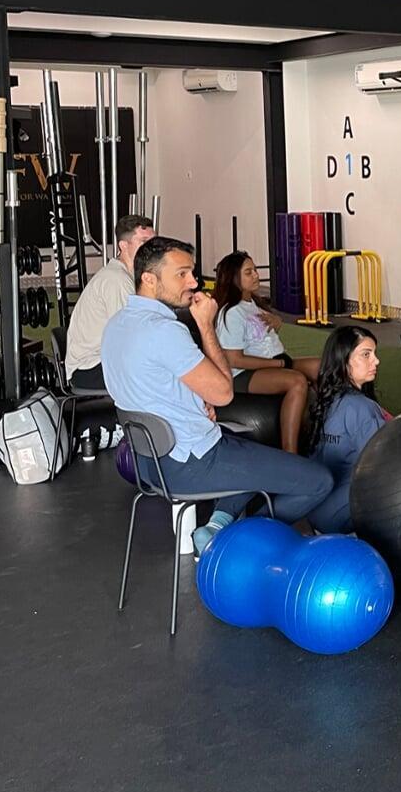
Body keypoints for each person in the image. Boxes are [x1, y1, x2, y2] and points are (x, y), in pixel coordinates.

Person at [101, 236, 332, 554]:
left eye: (192, 272)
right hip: (190, 464)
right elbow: (224, 394)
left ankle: (216, 525)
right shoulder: (165, 331)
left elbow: (150, 382)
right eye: (181, 274)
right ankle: (237, 540)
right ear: (149, 279)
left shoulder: (117, 324)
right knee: (320, 481)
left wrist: (197, 400)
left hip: (147, 462)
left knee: (249, 449)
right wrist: (206, 326)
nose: (194, 282)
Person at [212, 251, 320, 454]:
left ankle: (325, 432)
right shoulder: (231, 313)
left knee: (321, 367)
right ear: (234, 278)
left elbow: (260, 339)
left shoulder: (253, 304)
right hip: (244, 374)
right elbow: (234, 359)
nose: (256, 275)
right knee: (296, 381)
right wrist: (278, 364)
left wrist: (277, 323)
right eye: (248, 272)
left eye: (254, 270)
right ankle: (290, 451)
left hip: (276, 361)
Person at [305, 327, 390, 534]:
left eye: (374, 353)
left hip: (313, 511)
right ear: (343, 361)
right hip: (342, 518)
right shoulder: (362, 408)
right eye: (366, 354)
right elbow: (386, 467)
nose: (376, 361)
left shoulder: (324, 399)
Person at [63, 213, 156, 389]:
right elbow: (129, 336)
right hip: (89, 368)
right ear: (123, 246)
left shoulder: (127, 276)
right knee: (160, 373)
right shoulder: (117, 280)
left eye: (153, 243)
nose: (152, 250)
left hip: (101, 362)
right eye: (144, 243)